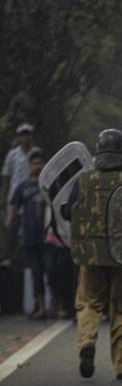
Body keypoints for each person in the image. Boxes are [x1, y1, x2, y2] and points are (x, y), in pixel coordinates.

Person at [63, 129, 122, 380]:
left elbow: (67, 212)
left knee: (88, 303)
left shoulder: (83, 181)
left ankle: (87, 343)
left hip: (90, 254)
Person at [5, 150, 51, 319]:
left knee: (52, 271)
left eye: (41, 163)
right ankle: (40, 306)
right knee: (36, 272)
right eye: (35, 163)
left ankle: (56, 305)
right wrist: (9, 228)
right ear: (29, 165)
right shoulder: (23, 187)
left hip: (49, 238)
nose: (38, 166)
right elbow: (13, 209)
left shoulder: (48, 185)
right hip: (30, 237)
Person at [2, 122, 40, 205]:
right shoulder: (12, 155)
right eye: (22, 135)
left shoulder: (37, 153)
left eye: (27, 134)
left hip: (32, 195)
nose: (25, 137)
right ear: (19, 137)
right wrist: (3, 198)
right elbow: (7, 178)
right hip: (15, 195)